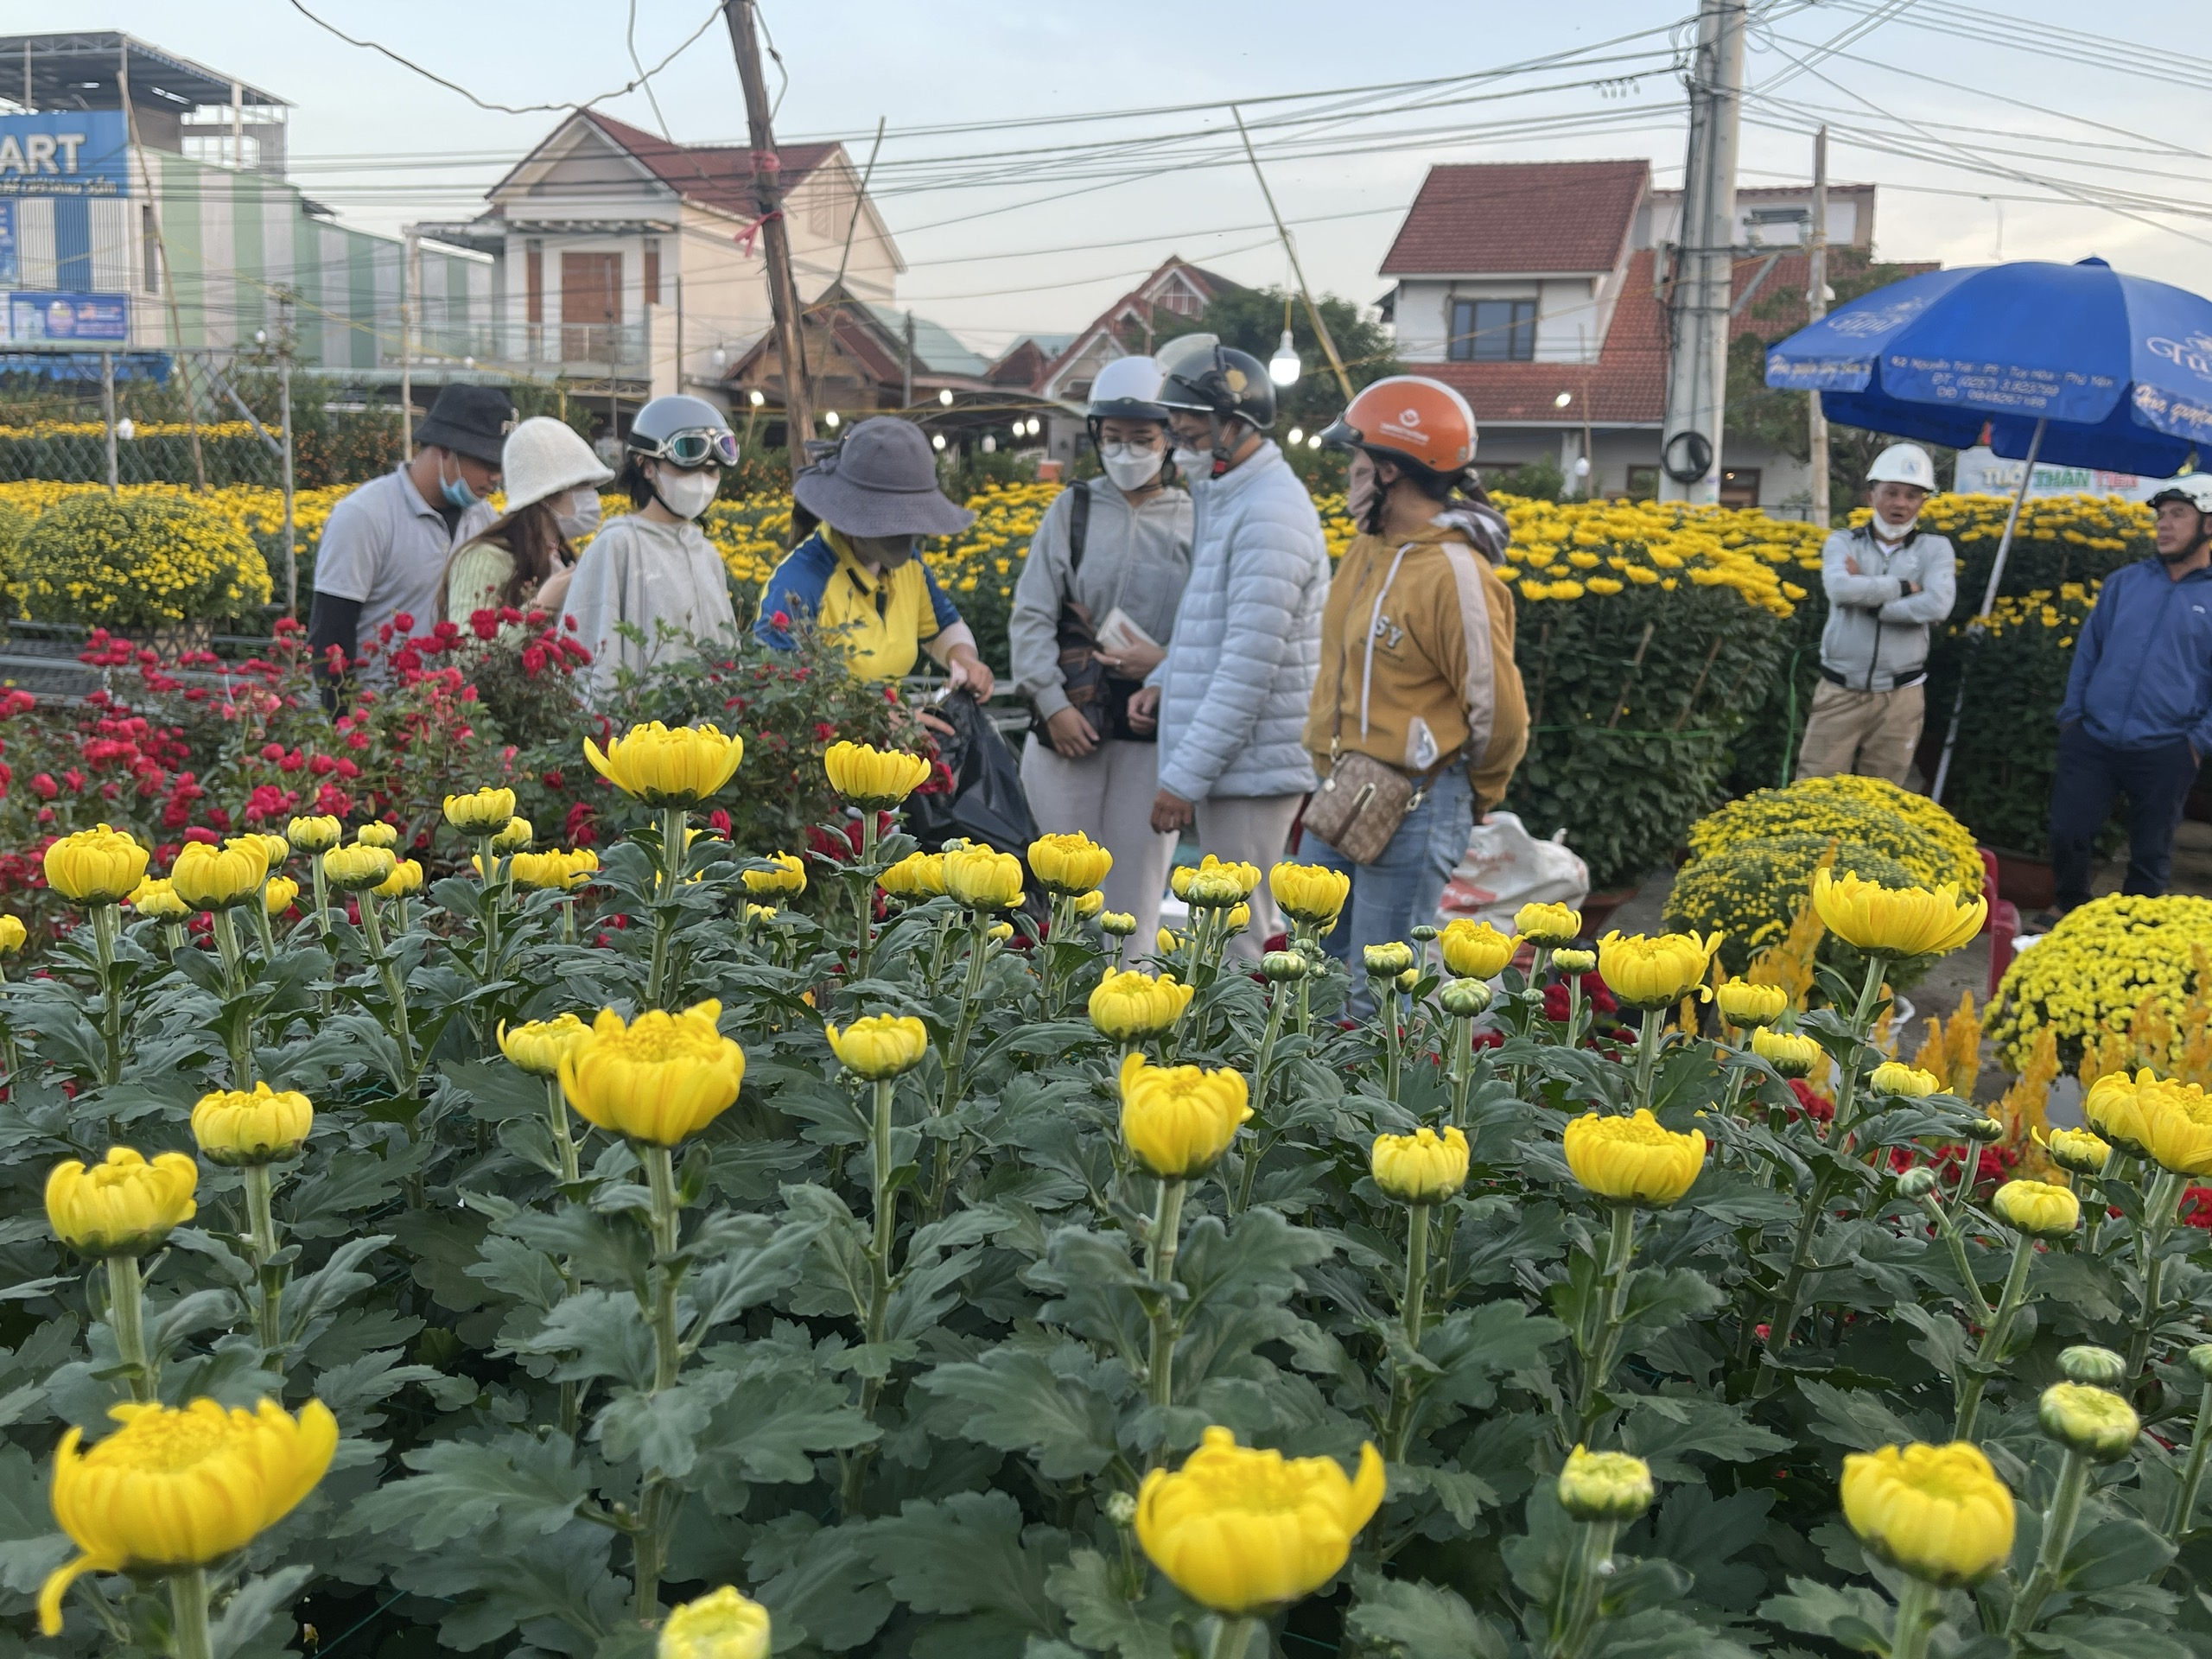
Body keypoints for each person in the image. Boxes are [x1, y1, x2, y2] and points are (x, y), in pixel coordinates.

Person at [1302, 377, 1528, 1003]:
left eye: (1356, 463)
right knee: (1308, 980)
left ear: (1389, 471)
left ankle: (1368, 1105)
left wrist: (1473, 796)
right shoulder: (1369, 547)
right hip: (1343, 791)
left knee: (1375, 997)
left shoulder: (1456, 572)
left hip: (1420, 801)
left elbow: (1500, 714)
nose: (1348, 477)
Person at [1128, 332, 1329, 960]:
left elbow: (1249, 668)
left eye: (1190, 433)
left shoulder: (1270, 514)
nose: (1178, 445)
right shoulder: (1234, 498)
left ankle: (1248, 1061)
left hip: (1253, 771)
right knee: (1224, 929)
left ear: (1236, 425)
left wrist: (1182, 780)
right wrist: (1165, 682)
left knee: (1240, 935)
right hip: (1240, 763)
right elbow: (1213, 630)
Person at [1009, 357, 1192, 955]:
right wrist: (1051, 702)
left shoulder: (1197, 517)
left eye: (1142, 439)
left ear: (1170, 440)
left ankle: (1130, 1016)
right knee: (1059, 893)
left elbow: (1211, 623)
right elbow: (1034, 612)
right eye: (1113, 439)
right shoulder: (1074, 508)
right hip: (1072, 719)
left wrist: (1164, 666)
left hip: (1150, 723)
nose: (1127, 452)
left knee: (1136, 897)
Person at [2046, 474, 2212, 919]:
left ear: (2209, 524)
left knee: (2150, 854)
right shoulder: (2124, 582)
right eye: (2161, 516)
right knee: (2068, 832)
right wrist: (2073, 717)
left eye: (2179, 514)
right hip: (2093, 737)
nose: (2165, 525)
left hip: (2168, 747)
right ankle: (2070, 910)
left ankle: (2132, 937)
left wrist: (2197, 742)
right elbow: (2088, 651)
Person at [755, 416, 995, 702]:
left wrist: (965, 660)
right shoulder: (799, 583)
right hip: (829, 745)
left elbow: (943, 627)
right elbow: (776, 689)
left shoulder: (910, 567)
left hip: (892, 740)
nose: (904, 532)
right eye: (891, 519)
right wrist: (874, 718)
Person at [308, 383, 511, 693]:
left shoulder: (482, 517)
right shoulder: (364, 515)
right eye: (485, 462)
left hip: (453, 714)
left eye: (500, 464)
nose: (495, 477)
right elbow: (331, 633)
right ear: (444, 450)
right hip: (379, 711)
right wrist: (345, 725)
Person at [564, 394, 743, 704]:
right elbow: (591, 659)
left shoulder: (705, 552)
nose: (702, 481)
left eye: (712, 470)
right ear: (646, 466)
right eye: (688, 468)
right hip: (640, 741)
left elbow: (727, 653)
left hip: (709, 743)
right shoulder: (617, 545)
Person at [1795, 442, 1956, 784]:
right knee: (1814, 791)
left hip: (1901, 696)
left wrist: (1869, 603)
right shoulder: (1842, 541)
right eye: (1891, 492)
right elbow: (1839, 589)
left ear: (1923, 501)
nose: (1900, 503)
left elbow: (1938, 604)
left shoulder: (1935, 548)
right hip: (1840, 689)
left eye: (1912, 495)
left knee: (1884, 795)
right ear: (1871, 496)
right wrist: (1903, 587)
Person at [442, 416, 613, 632]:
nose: (592, 496)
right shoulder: (484, 558)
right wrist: (540, 609)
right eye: (583, 485)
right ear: (547, 493)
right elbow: (465, 654)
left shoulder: (560, 556)